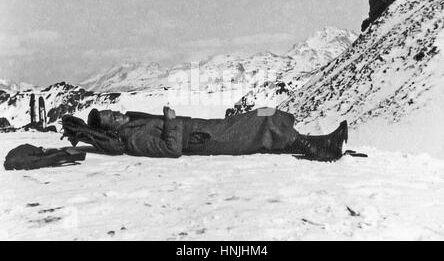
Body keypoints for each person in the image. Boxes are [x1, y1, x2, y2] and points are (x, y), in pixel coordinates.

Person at [62, 106, 348, 162]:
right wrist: (171, 121)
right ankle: (323, 148)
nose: (115, 114)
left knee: (263, 114)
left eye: (111, 111)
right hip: (203, 139)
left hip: (202, 128)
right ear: (110, 128)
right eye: (109, 118)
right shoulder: (133, 138)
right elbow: (171, 150)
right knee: (264, 121)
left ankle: (319, 143)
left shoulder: (132, 123)